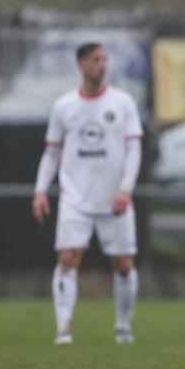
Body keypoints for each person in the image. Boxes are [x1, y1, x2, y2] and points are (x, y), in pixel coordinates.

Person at [32, 43, 143, 346]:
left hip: (115, 200)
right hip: (75, 198)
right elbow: (51, 154)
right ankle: (63, 326)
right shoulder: (63, 106)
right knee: (68, 257)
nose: (101, 65)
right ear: (81, 64)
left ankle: (123, 325)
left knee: (123, 264)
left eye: (105, 59)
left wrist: (125, 189)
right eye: (95, 59)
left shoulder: (122, 102)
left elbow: (134, 150)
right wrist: (41, 190)